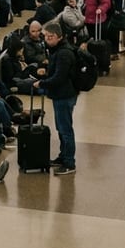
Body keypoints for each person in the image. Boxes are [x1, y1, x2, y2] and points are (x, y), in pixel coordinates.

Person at [33, 21, 79, 174]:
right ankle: (63, 156)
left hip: (64, 95)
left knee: (65, 129)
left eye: (50, 37)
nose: (47, 40)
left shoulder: (64, 53)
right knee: (61, 127)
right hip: (62, 94)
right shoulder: (57, 51)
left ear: (59, 37)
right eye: (45, 36)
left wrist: (42, 83)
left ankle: (69, 162)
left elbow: (59, 78)